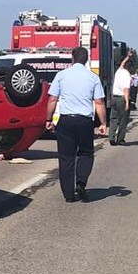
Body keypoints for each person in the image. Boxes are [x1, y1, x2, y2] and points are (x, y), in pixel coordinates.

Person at [45, 46, 107, 203]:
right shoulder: (93, 77)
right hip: (85, 121)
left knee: (66, 157)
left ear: (72, 58)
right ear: (86, 60)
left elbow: (52, 99)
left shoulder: (61, 75)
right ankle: (81, 182)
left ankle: (68, 194)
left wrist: (48, 119)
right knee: (86, 153)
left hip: (66, 120)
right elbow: (99, 102)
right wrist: (103, 123)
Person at [108, 50, 134, 145]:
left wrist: (128, 57)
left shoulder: (119, 71)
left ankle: (111, 137)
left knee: (113, 118)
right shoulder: (127, 75)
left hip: (114, 98)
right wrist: (127, 102)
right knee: (123, 120)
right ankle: (120, 139)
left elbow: (122, 64)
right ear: (130, 68)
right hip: (122, 98)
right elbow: (126, 89)